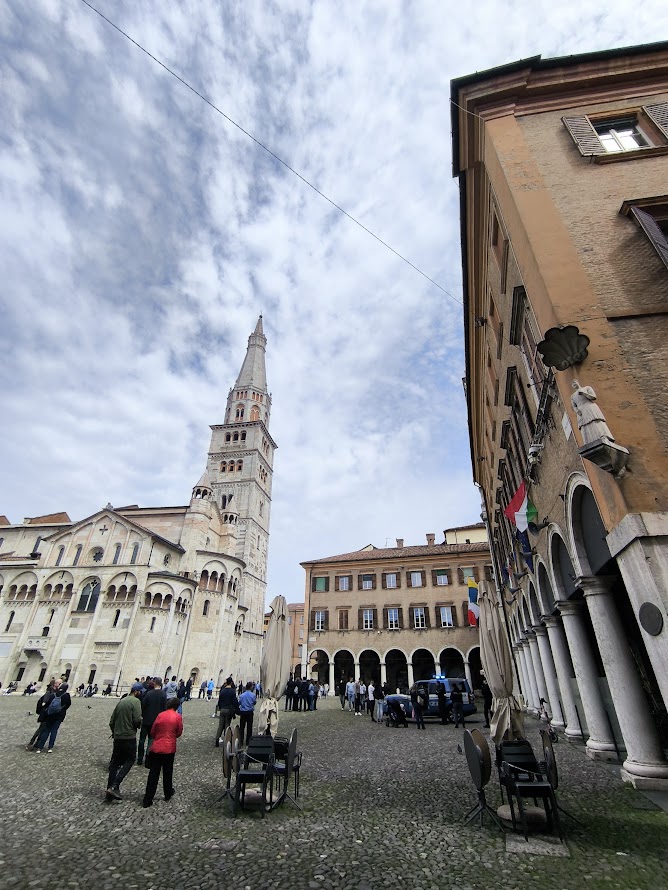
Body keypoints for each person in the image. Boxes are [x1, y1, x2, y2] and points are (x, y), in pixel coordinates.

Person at [141, 697, 183, 807]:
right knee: (168, 772)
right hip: (169, 748)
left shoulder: (160, 715)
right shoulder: (177, 717)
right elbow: (179, 732)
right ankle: (168, 792)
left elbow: (153, 730)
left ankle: (147, 799)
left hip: (157, 747)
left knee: (153, 774)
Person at [106, 682, 143, 800]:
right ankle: (115, 785)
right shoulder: (136, 702)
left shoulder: (121, 701)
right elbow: (137, 720)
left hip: (117, 736)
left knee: (115, 763)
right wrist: (140, 722)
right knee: (130, 759)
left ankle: (109, 791)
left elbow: (112, 721)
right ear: (136, 692)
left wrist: (115, 731)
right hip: (128, 736)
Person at [34, 682, 72, 752]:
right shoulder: (66, 695)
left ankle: (39, 748)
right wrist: (62, 709)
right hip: (59, 716)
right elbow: (68, 705)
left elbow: (48, 704)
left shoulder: (54, 694)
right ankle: (50, 748)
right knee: (54, 731)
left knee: (46, 731)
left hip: (50, 715)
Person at [138, 678, 164, 766]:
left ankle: (139, 759)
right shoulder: (163, 694)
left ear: (154, 683)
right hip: (156, 721)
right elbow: (164, 709)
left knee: (142, 740)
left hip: (146, 720)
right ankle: (148, 760)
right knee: (151, 740)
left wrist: (143, 715)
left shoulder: (149, 694)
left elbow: (143, 705)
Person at [27, 679, 59, 750]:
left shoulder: (54, 692)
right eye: (58, 684)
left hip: (49, 714)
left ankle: (36, 744)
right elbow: (44, 703)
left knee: (43, 729)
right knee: (41, 729)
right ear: (55, 685)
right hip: (46, 714)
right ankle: (32, 743)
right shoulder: (50, 692)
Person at [215, 677, 239, 746]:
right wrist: (237, 710)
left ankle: (217, 739)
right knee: (227, 725)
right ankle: (226, 740)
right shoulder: (232, 691)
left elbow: (219, 701)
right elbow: (234, 702)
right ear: (231, 682)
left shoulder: (222, 691)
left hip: (222, 710)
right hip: (229, 710)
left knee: (220, 725)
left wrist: (220, 708)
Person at [238, 681, 257, 746]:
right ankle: (248, 741)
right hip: (249, 712)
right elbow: (254, 702)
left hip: (243, 712)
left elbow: (239, 703)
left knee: (242, 727)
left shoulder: (242, 695)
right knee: (249, 727)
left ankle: (241, 740)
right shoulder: (253, 695)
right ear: (251, 687)